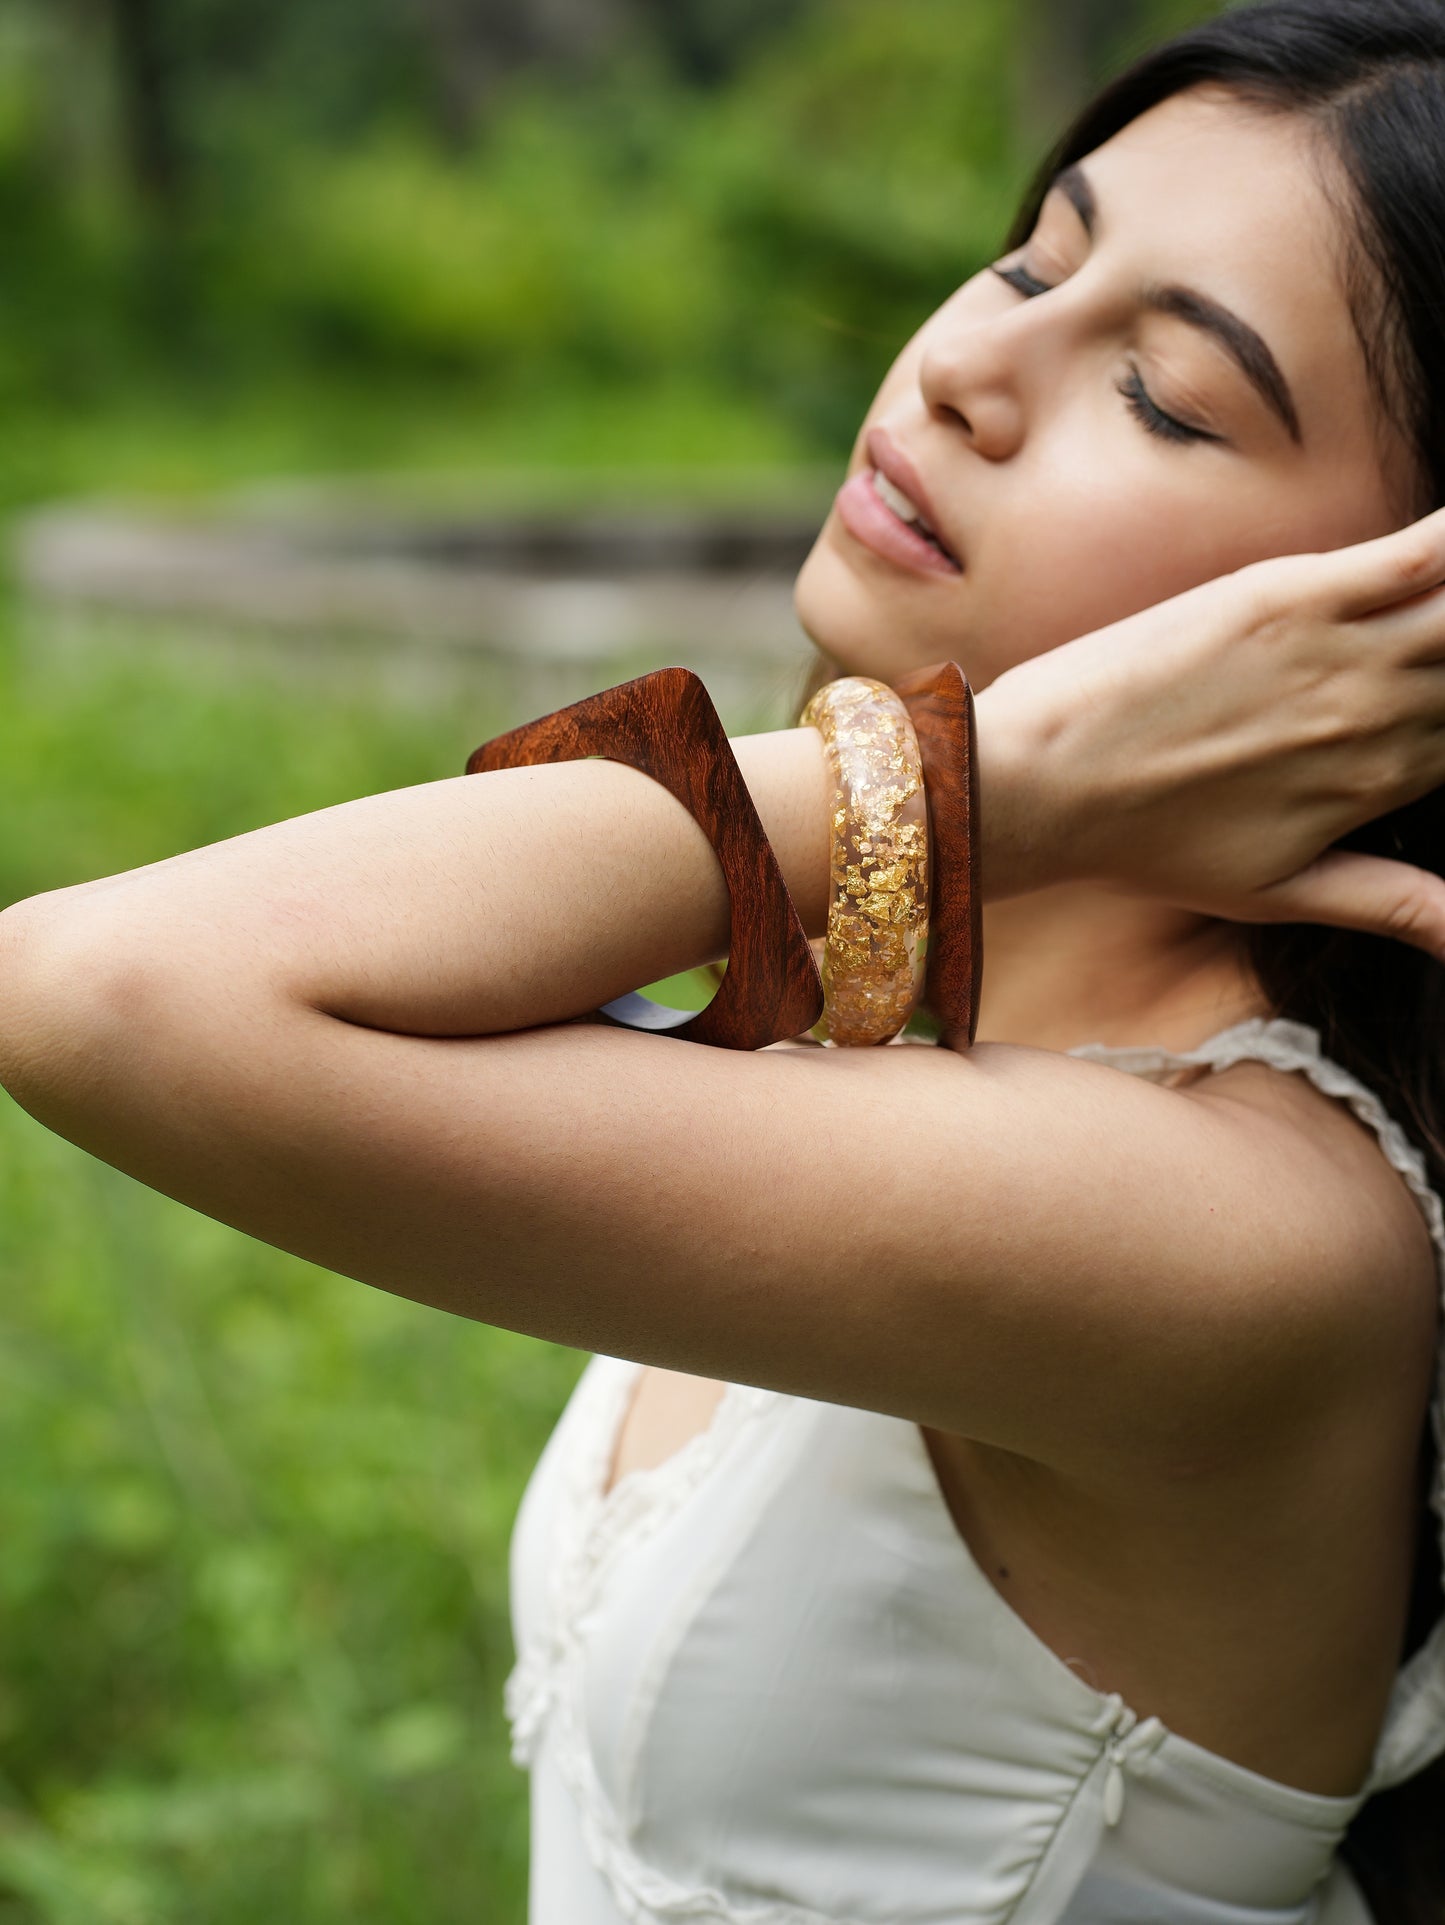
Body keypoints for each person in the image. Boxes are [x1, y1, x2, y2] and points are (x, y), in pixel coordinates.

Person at [6, 0, 1445, 1916]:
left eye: (1166, 392)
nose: (968, 364)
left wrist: (976, 773)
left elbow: (105, 989)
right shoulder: (916, 1012)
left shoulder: (1235, 1231)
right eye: (1030, 252)